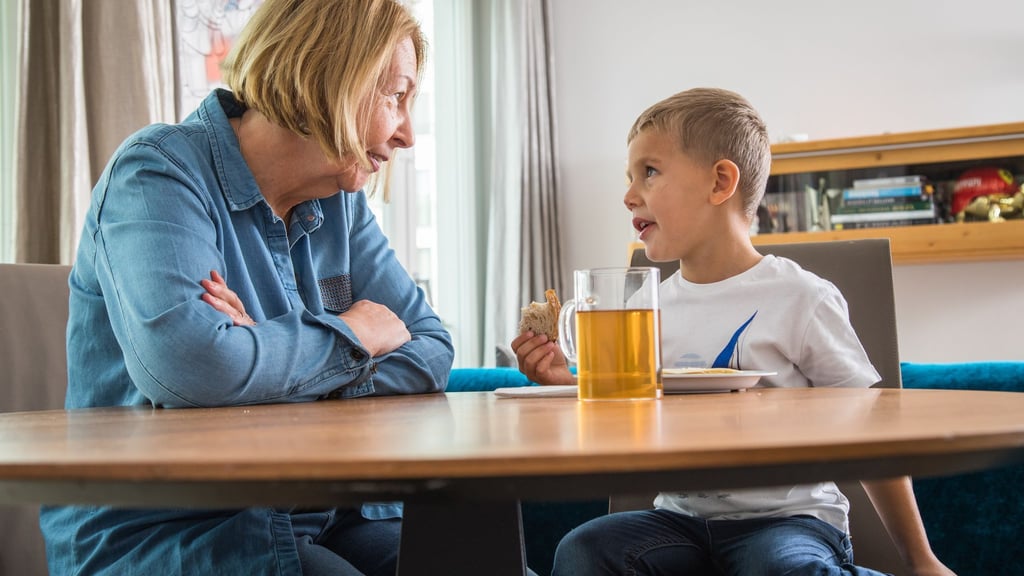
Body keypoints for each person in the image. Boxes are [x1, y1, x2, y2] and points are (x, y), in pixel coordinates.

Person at [39, 1, 454, 574]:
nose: (407, 133)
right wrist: (352, 334)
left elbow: (431, 346)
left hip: (324, 514)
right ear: (328, 75)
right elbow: (193, 367)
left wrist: (263, 357)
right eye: (396, 97)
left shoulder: (342, 204)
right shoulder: (156, 173)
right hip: (175, 529)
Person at [511, 88, 954, 576]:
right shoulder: (645, 306)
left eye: (650, 172)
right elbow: (625, 408)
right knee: (585, 549)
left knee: (775, 567)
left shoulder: (801, 297)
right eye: (629, 177)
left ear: (720, 181)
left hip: (787, 522)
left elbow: (872, 433)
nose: (628, 194)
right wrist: (570, 381)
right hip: (678, 522)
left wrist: (921, 559)